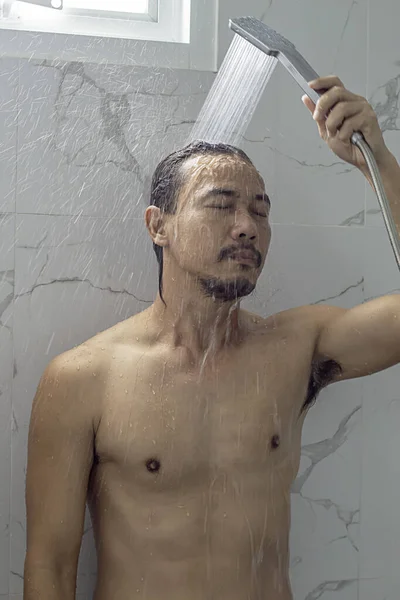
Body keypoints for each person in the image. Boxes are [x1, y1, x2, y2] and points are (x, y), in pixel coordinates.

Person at [24, 76, 400, 600]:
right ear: (159, 226)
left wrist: (377, 161)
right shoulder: (83, 378)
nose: (247, 226)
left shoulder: (296, 349)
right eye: (221, 205)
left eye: (261, 212)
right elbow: (51, 567)